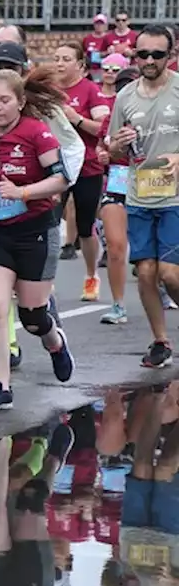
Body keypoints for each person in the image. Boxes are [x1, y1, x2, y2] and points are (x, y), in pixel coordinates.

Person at [0, 69, 76, 412]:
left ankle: (55, 342)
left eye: (4, 100)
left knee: (33, 318)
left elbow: (61, 180)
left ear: (20, 102)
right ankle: (2, 386)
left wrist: (23, 192)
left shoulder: (36, 134)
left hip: (35, 231)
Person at [108, 24, 179, 369]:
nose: (149, 60)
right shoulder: (125, 97)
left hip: (175, 197)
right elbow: (109, 150)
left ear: (171, 55)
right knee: (147, 272)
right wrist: (117, 145)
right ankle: (160, 341)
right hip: (139, 194)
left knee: (170, 274)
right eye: (143, 54)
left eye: (157, 54)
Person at [51, 41, 109, 292]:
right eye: (57, 58)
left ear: (80, 65)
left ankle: (91, 275)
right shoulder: (48, 90)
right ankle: (44, 280)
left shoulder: (90, 90)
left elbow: (104, 129)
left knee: (85, 227)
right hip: (55, 165)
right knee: (49, 223)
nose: (60, 63)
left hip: (87, 167)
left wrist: (76, 119)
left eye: (66, 59)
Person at [95, 57, 137, 325]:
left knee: (154, 252)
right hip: (119, 180)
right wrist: (103, 154)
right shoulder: (112, 118)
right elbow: (101, 145)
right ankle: (118, 304)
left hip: (152, 182)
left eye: (130, 86)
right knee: (115, 246)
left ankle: (162, 286)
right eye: (121, 87)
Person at [84, 13, 110, 81]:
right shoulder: (88, 38)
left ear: (105, 25)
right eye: (97, 23)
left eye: (101, 24)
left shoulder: (109, 38)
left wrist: (104, 53)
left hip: (103, 69)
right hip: (90, 69)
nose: (99, 26)